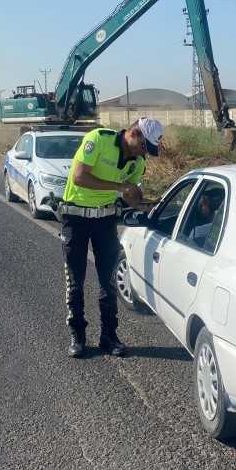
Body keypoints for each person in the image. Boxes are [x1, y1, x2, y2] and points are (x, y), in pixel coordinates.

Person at [59, 117, 163, 358]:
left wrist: (141, 205)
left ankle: (109, 336)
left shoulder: (137, 163)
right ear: (134, 133)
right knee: (75, 281)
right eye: (144, 147)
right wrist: (118, 188)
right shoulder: (98, 139)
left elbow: (128, 195)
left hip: (105, 220)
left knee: (108, 281)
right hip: (75, 217)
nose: (144, 154)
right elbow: (79, 177)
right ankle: (78, 334)